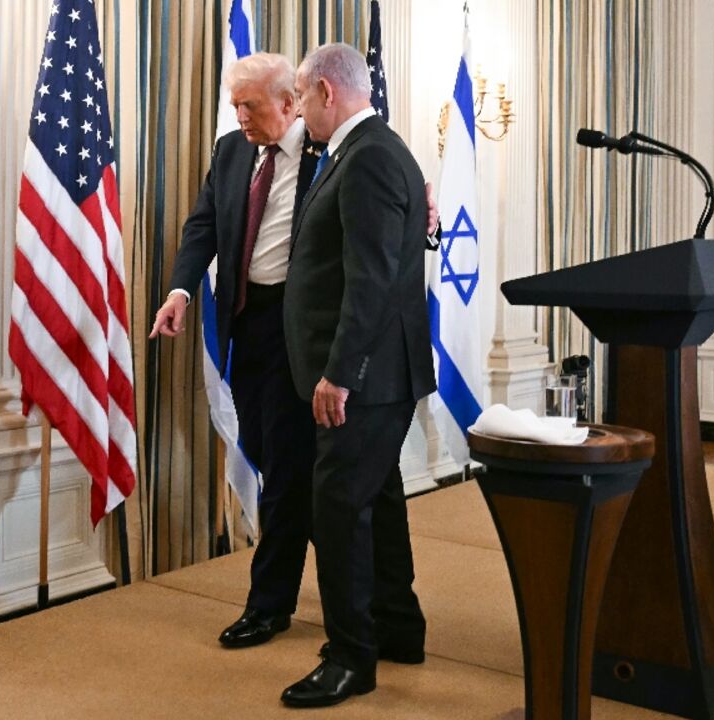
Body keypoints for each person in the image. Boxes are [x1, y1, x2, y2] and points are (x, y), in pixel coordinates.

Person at [279, 43, 436, 709]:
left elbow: (369, 279)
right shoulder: (372, 147)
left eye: (300, 98)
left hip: (363, 374)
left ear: (324, 92)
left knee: (338, 508)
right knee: (379, 499)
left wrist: (340, 373)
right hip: (380, 372)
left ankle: (351, 656)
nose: (297, 112)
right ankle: (396, 627)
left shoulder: (366, 155)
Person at [148, 53, 321, 651]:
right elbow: (203, 227)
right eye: (234, 104)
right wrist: (179, 291)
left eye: (250, 105)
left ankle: (268, 606)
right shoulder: (230, 151)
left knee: (288, 472)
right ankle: (362, 586)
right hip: (246, 327)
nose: (239, 116)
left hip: (301, 336)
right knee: (277, 462)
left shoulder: (327, 154)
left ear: (290, 103)